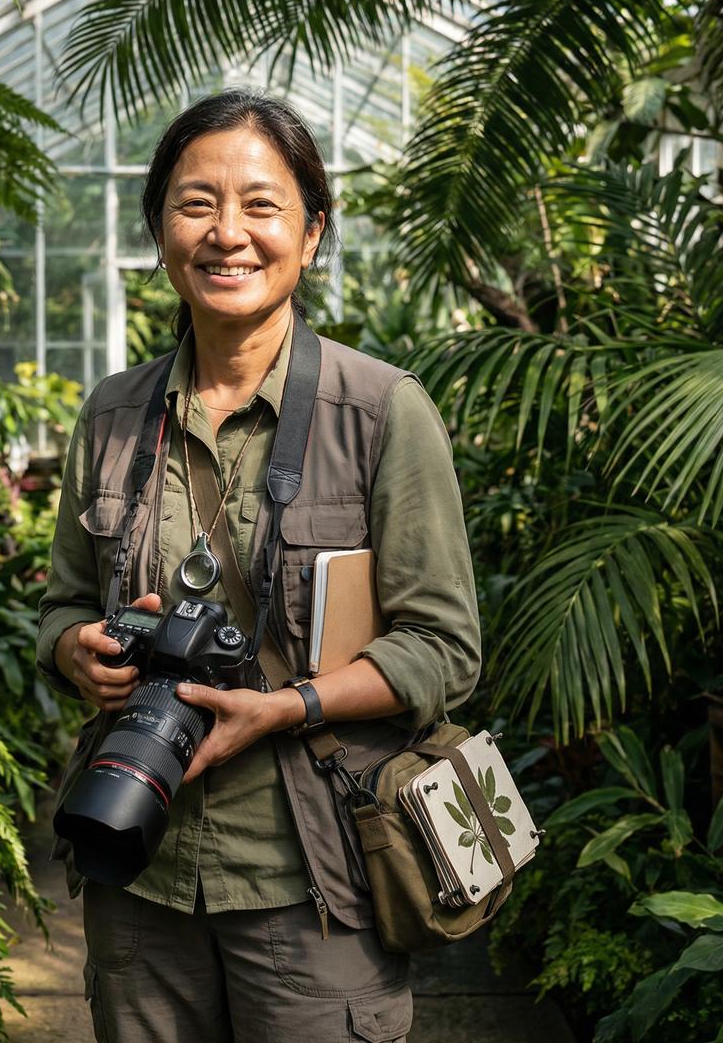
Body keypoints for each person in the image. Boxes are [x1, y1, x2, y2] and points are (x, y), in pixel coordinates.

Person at [36, 89, 481, 1043]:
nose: (227, 233)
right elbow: (62, 603)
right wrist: (80, 647)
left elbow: (444, 647)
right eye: (196, 203)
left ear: (312, 233)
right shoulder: (113, 416)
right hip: (136, 862)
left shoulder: (380, 413)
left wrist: (290, 706)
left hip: (314, 879)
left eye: (262, 205)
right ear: (160, 229)